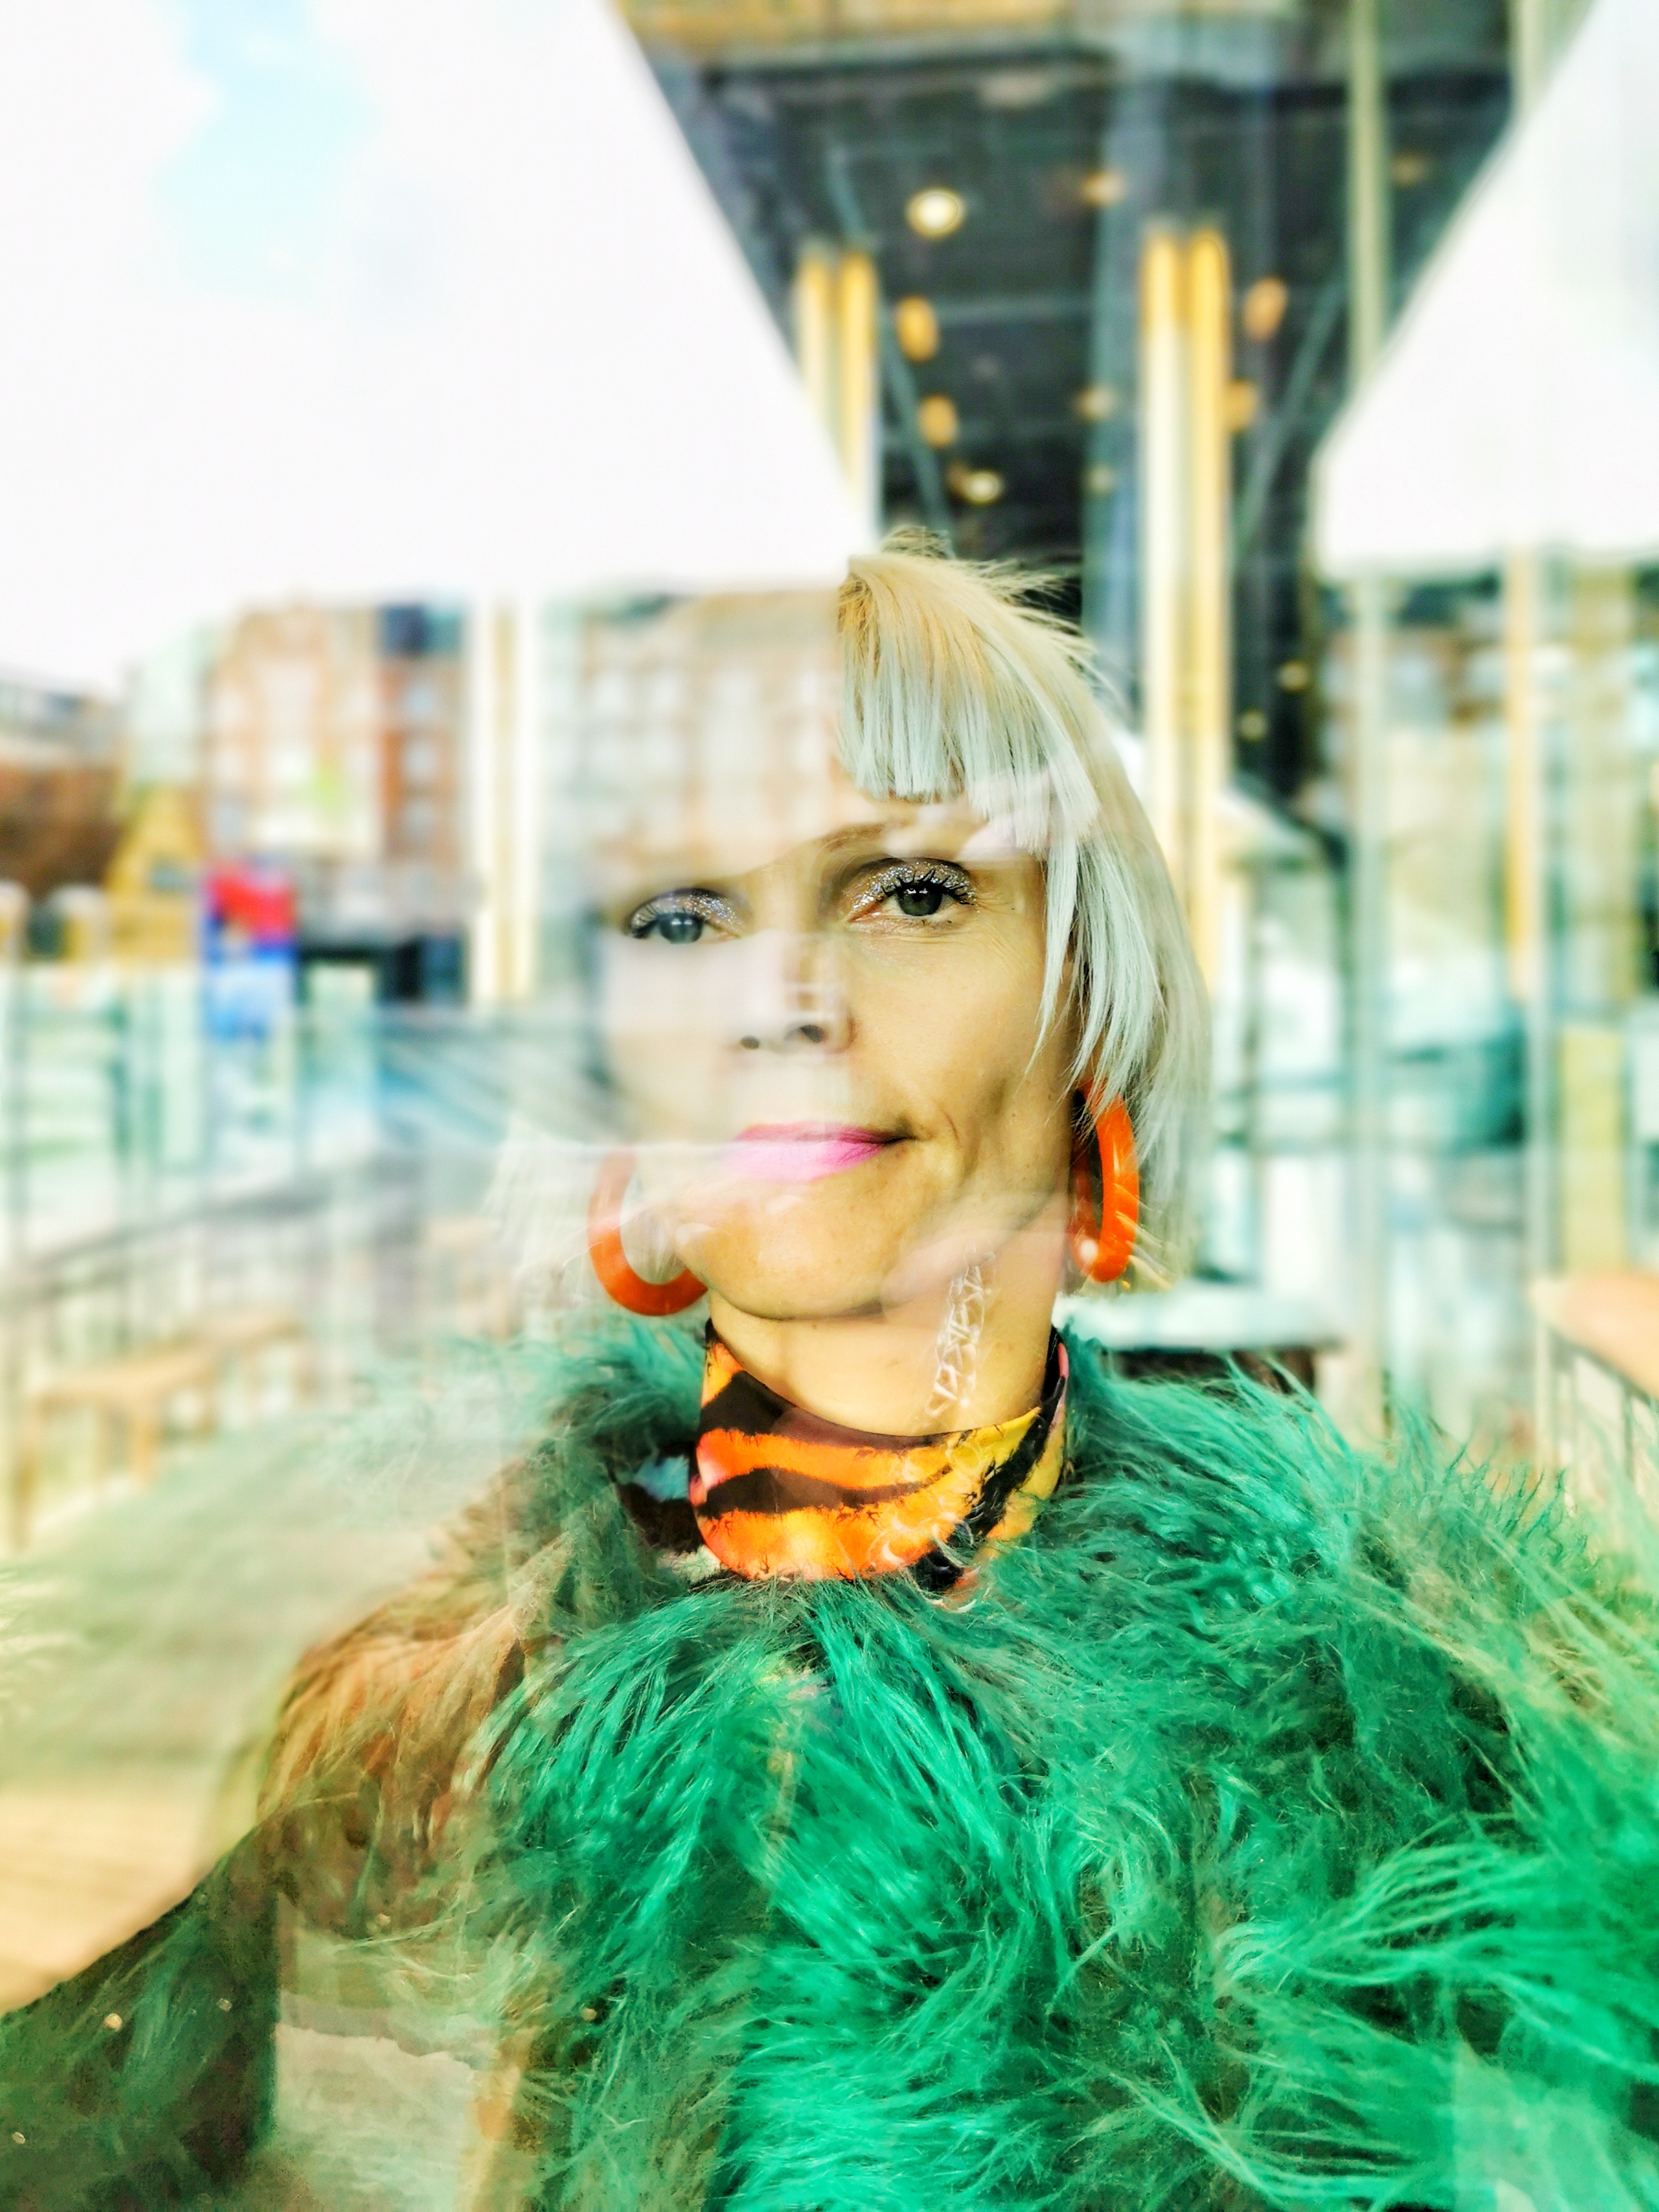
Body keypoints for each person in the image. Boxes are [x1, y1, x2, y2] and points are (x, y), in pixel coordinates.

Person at [5, 543, 1659, 2210]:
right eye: (682, 917)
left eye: (912, 892)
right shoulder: (366, 1656)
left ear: (1087, 999)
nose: (781, 999)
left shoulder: (1381, 1742)